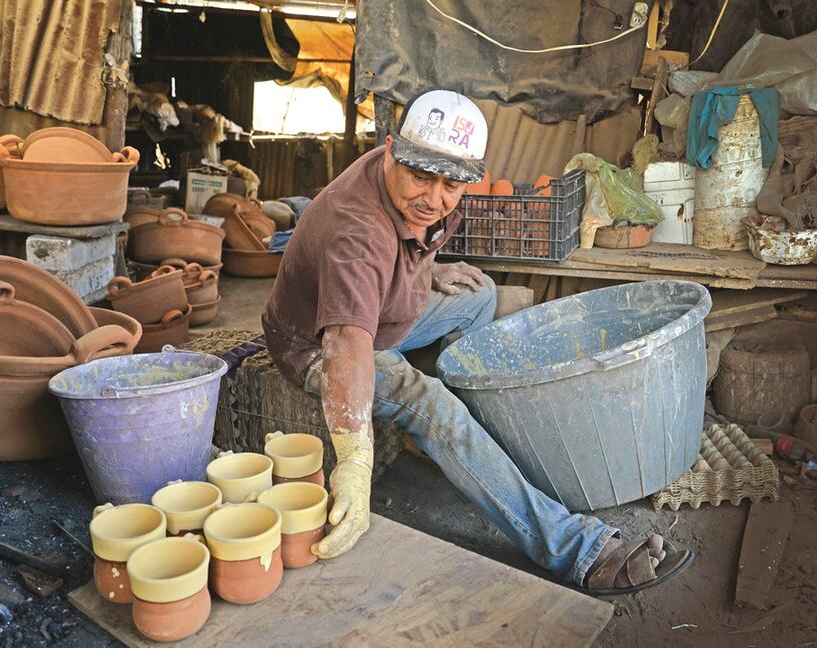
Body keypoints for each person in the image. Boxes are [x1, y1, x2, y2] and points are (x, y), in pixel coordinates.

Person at [262, 89, 693, 594]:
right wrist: (354, 461)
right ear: (389, 150)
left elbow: (397, 252)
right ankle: (578, 549)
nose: (433, 197)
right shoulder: (355, 232)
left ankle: (464, 442)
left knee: (479, 293)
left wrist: (430, 270)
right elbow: (349, 339)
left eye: (451, 183)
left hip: (379, 314)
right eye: (421, 176)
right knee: (431, 403)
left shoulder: (409, 189)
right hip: (318, 342)